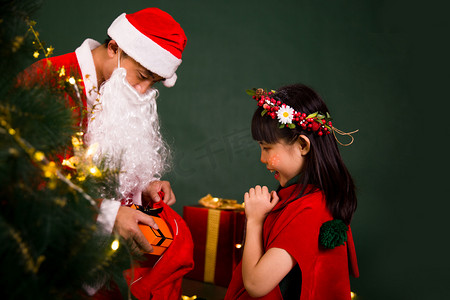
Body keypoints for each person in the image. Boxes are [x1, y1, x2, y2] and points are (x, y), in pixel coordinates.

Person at [20, 7, 193, 299]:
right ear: (114, 48)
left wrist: (144, 184)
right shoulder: (49, 80)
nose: (142, 91)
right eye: (142, 76)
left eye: (153, 83)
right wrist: (108, 215)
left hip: (103, 270)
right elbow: (26, 177)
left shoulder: (121, 88)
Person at [225, 84, 359, 300]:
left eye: (267, 148)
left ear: (302, 146)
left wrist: (255, 221)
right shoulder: (299, 198)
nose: (262, 158)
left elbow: (256, 284)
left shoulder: (311, 208)